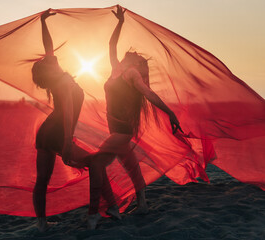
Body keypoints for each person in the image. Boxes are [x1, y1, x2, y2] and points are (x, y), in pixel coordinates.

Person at [87, 5, 183, 229]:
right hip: (116, 130)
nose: (128, 54)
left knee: (96, 164)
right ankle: (143, 204)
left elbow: (148, 93)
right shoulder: (116, 69)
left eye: (133, 56)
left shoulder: (131, 74)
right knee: (131, 166)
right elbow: (111, 45)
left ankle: (108, 207)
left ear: (133, 63)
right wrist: (119, 22)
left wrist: (170, 112)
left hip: (121, 131)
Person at [32, 9, 88, 232]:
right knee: (95, 164)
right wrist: (67, 141)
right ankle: (105, 207)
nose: (49, 59)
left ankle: (42, 224)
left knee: (42, 179)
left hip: (47, 131)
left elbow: (48, 46)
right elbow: (66, 114)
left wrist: (43, 22)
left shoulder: (55, 74)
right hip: (57, 132)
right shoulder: (61, 81)